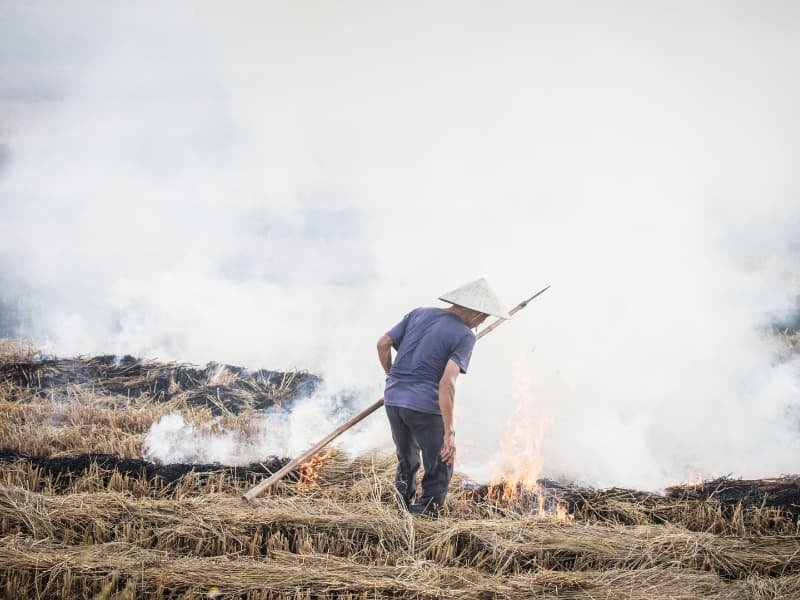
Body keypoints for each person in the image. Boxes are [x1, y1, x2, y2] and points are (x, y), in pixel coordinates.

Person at [376, 278, 509, 516]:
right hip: (424, 406)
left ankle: (401, 507)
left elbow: (383, 343)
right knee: (441, 461)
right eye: (483, 317)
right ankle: (425, 514)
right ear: (474, 311)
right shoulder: (465, 335)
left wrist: (393, 377)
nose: (480, 324)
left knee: (406, 459)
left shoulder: (418, 314)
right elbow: (447, 382)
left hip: (393, 400)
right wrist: (449, 433)